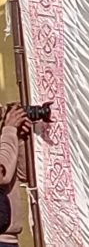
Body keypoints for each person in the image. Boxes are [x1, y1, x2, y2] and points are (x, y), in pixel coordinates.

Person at [0, 104, 32, 246]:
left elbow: (23, 174)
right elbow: (3, 175)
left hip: (9, 240)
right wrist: (9, 129)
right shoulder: (7, 134)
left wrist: (19, 139)